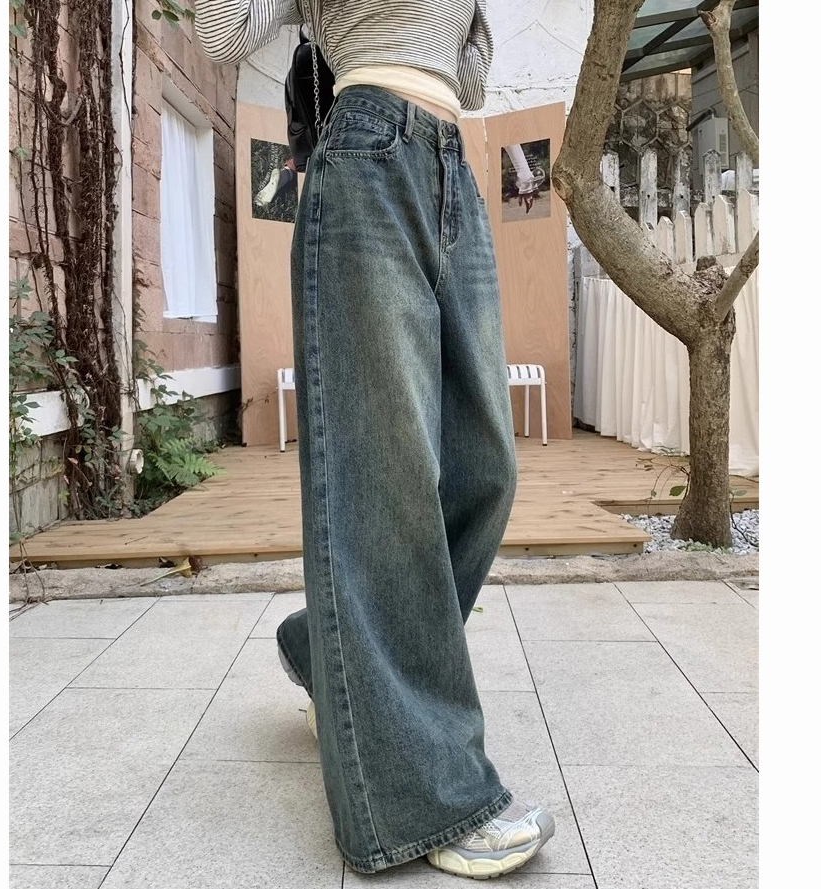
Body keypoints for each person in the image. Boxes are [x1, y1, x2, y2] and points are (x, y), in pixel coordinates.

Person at [193, 0, 555, 879]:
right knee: (385, 475)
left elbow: (470, 79)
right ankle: (424, 794)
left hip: (452, 160)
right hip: (364, 153)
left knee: (484, 467)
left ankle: (330, 652)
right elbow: (220, 33)